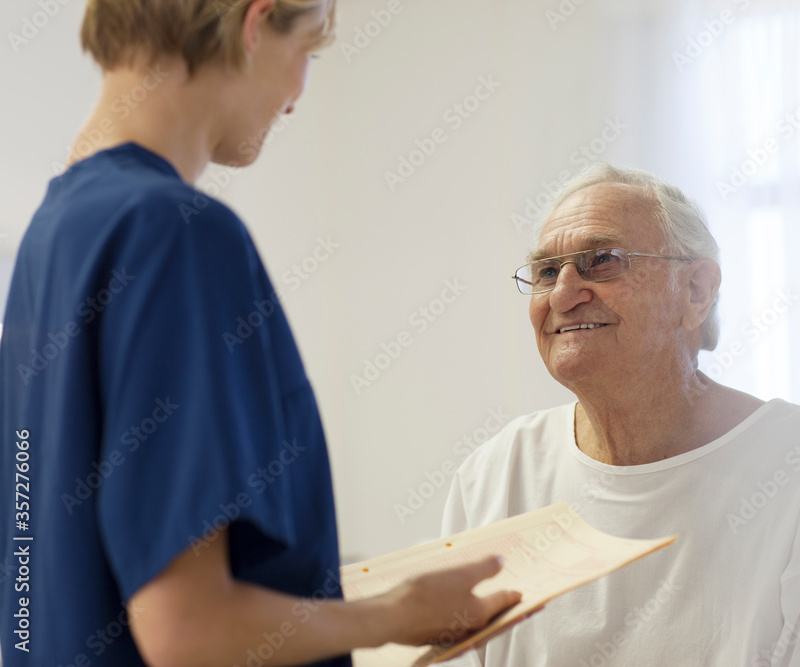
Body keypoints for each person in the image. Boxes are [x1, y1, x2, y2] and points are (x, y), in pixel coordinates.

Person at [0, 1, 519, 665]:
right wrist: (400, 613)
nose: (297, 97)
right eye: (308, 50)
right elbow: (187, 632)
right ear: (254, 23)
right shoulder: (176, 233)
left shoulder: (53, 232)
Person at [440, 163, 800, 666]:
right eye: (547, 272)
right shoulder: (493, 476)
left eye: (602, 261)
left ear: (696, 292)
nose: (562, 294)